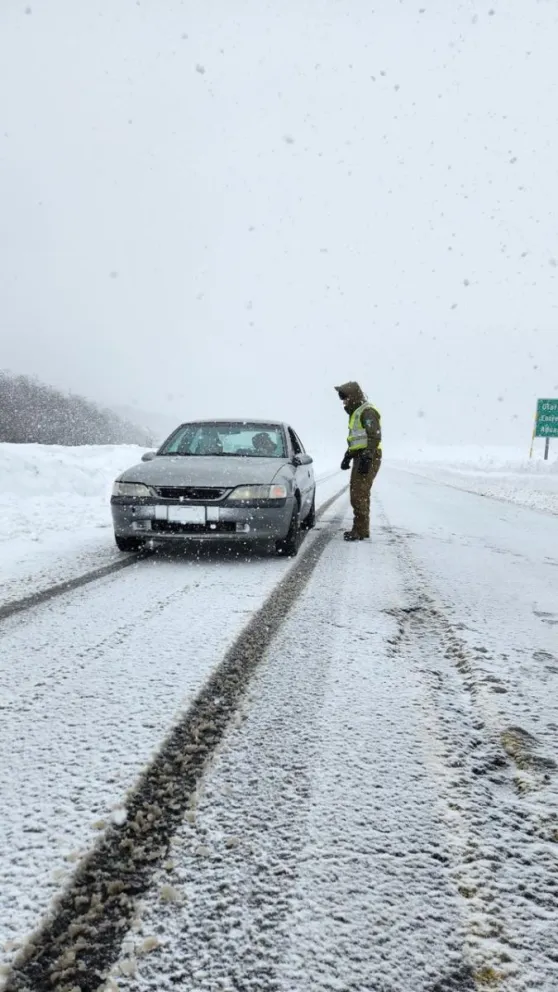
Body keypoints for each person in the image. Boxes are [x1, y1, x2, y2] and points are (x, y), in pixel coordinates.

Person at [335, 381, 382, 541]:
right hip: (360, 455)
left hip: (369, 456)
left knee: (359, 493)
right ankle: (362, 529)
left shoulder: (367, 412)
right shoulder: (356, 412)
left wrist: (368, 457)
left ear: (353, 396)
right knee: (357, 492)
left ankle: (360, 530)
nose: (344, 401)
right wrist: (348, 455)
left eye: (345, 398)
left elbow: (374, 436)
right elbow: (357, 439)